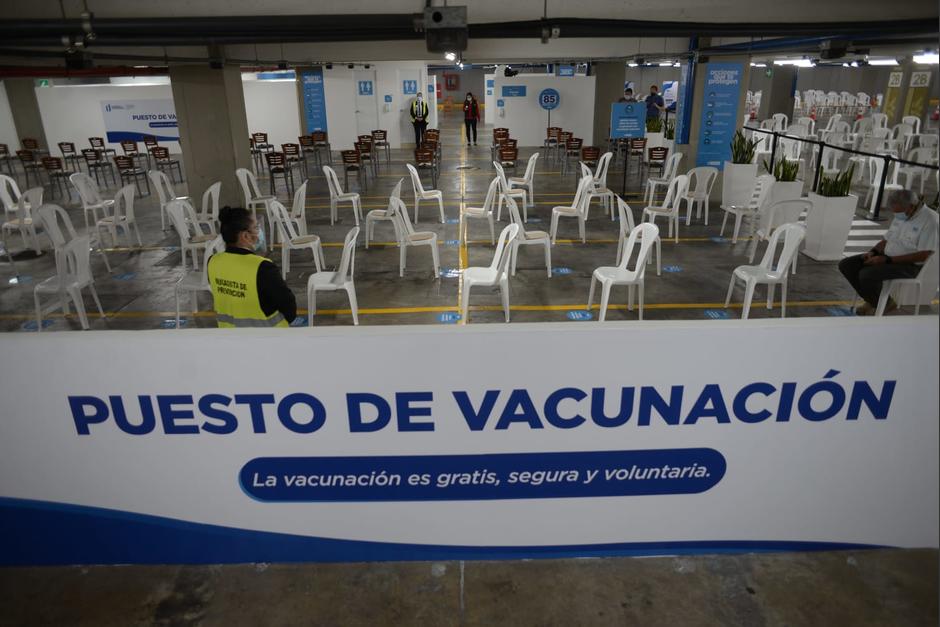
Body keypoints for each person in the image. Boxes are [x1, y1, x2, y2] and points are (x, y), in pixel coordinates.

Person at [838, 189, 938, 315]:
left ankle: (882, 304)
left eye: (899, 212)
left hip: (910, 265)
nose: (896, 216)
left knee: (866, 274)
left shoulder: (931, 220)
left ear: (911, 206)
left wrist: (887, 260)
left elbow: (924, 255)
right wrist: (873, 252)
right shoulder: (903, 213)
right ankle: (874, 301)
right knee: (847, 265)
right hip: (887, 257)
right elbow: (887, 239)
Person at [208, 206, 297, 328]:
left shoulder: (213, 262)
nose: (259, 232)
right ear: (245, 236)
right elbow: (290, 310)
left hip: (230, 339)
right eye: (256, 227)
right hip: (267, 340)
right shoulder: (263, 268)